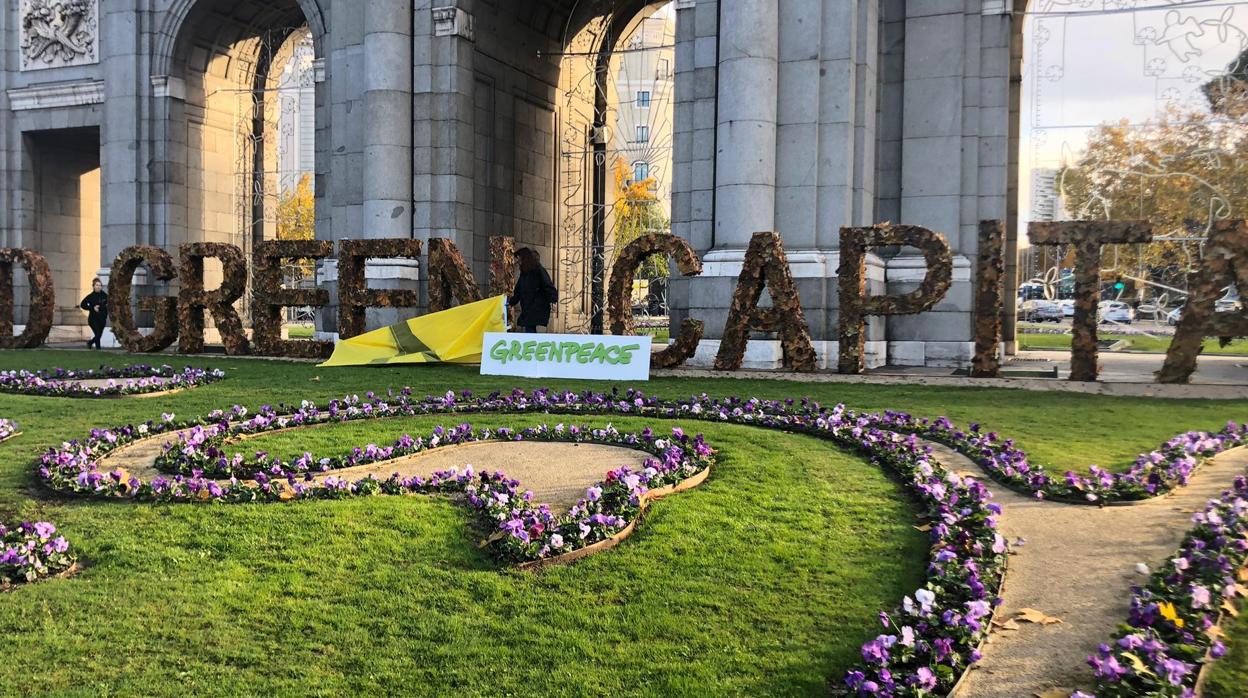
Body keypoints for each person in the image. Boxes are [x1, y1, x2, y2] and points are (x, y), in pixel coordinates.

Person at [509, 248, 559, 333]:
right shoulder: (524, 273)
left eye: (518, 259)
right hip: (528, 306)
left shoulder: (538, 270)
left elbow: (547, 285)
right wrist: (511, 302)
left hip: (536, 305)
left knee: (529, 325)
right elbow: (518, 291)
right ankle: (532, 343)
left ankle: (531, 344)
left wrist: (553, 300)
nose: (517, 262)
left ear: (524, 258)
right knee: (529, 326)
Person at [80, 278, 108, 349]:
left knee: (98, 335)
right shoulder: (90, 296)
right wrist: (92, 308)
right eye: (97, 285)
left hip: (102, 319)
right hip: (93, 319)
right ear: (93, 286)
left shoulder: (104, 295)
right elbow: (83, 304)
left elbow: (108, 304)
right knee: (98, 334)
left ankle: (93, 345)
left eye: (100, 285)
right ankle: (95, 346)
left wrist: (101, 307)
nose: (98, 287)